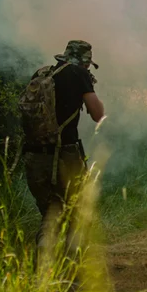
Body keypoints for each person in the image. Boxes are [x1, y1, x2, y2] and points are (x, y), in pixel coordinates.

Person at [20, 39, 105, 259]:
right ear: (85, 61)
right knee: (77, 212)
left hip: (34, 156)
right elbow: (97, 114)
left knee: (52, 209)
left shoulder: (43, 74)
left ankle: (44, 252)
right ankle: (71, 273)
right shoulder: (79, 74)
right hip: (65, 156)